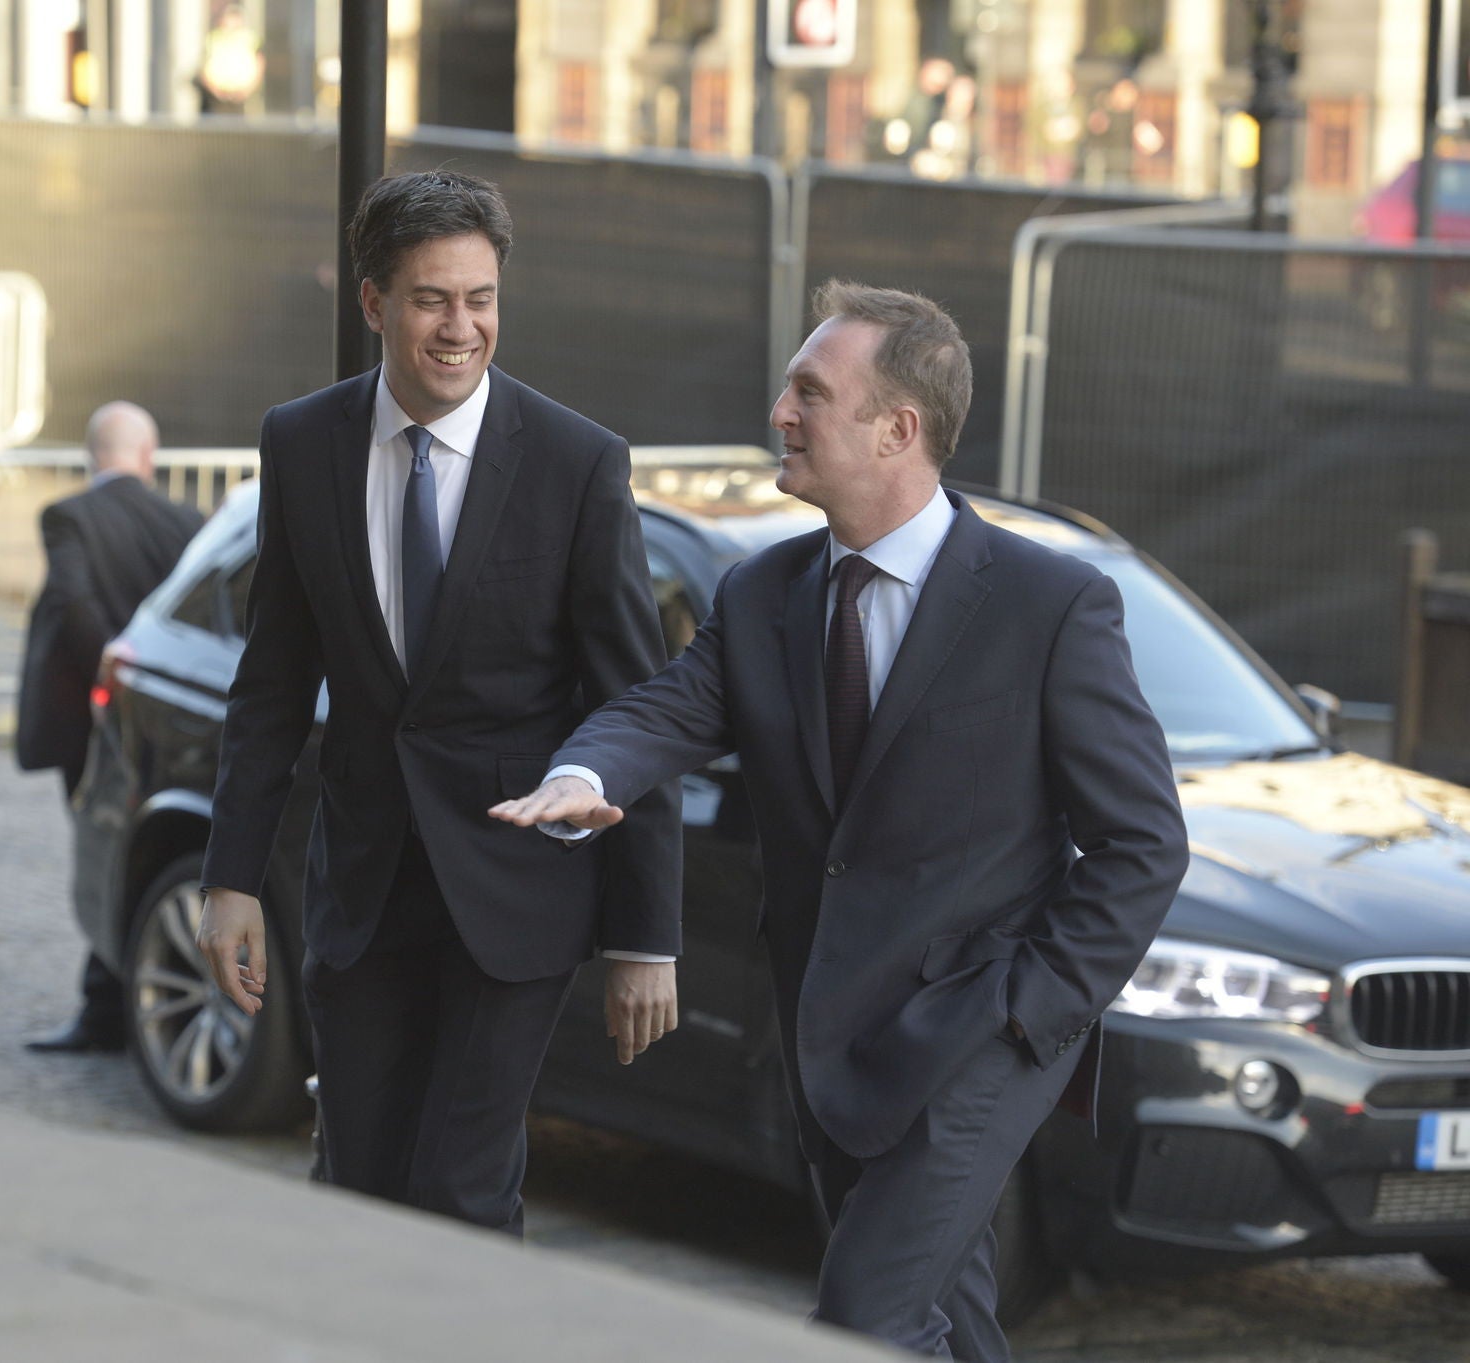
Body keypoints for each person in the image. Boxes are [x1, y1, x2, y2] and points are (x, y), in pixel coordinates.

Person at [493, 281, 1188, 1356]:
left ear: (896, 428)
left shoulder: (1047, 604)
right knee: (941, 1318)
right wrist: (591, 771)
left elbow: (1142, 843)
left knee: (860, 1320)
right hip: (825, 1030)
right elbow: (668, 708)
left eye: (808, 392)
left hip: (976, 1034)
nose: (778, 409)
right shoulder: (761, 591)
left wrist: (1028, 1005)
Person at [195, 170, 682, 1236]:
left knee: (460, 1197)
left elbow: (633, 705)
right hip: (362, 895)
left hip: (514, 897)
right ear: (372, 303)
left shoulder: (573, 463)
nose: (461, 328)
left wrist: (644, 936)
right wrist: (231, 876)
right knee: (357, 1190)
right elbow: (273, 681)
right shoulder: (302, 443)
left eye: (480, 299)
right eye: (431, 300)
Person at [17, 402, 203, 1053]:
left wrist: (110, 660)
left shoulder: (68, 515)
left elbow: (72, 599)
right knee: (138, 855)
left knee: (107, 858)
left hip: (97, 719)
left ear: (93, 456)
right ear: (148, 456)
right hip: (172, 715)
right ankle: (121, 1006)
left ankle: (107, 1011)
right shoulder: (185, 521)